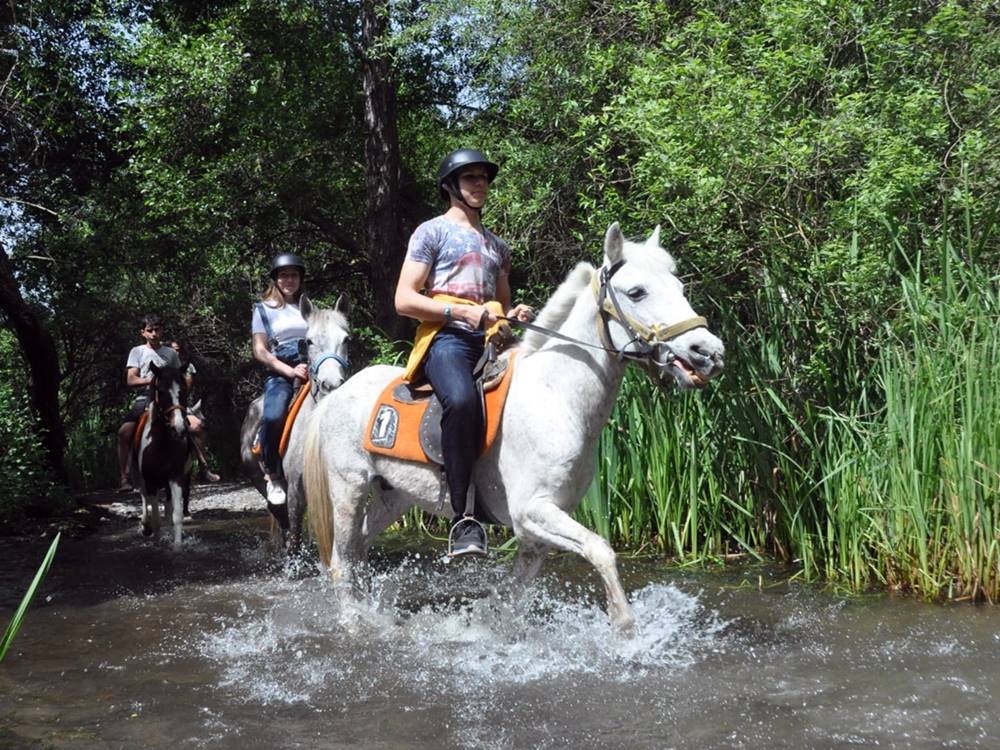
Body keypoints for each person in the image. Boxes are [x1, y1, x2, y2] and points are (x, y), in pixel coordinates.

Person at [394, 148, 534, 556]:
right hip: (447, 338)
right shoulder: (431, 232)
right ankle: (463, 518)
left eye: (483, 178)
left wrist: (513, 313)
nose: (480, 184)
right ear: (450, 186)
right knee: (460, 399)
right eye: (471, 177)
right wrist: (459, 311)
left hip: (492, 340)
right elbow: (403, 299)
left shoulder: (497, 246)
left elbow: (502, 303)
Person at [251, 253, 309, 506]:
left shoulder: (309, 307)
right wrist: (289, 371)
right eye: (284, 275)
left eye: (294, 275)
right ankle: (272, 473)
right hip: (281, 372)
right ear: (275, 279)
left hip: (313, 368)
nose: (289, 280)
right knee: (274, 415)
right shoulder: (264, 309)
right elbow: (260, 350)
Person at [116, 314, 183, 492]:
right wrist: (152, 381)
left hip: (169, 398)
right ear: (143, 332)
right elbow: (131, 379)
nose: (154, 333)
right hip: (144, 396)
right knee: (124, 432)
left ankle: (201, 465)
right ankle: (125, 477)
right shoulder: (137, 352)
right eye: (149, 330)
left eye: (157, 330)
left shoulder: (171, 353)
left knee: (194, 426)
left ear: (162, 331)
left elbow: (179, 377)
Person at [168, 339, 220, 484]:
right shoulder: (163, 366)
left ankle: (204, 467)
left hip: (183, 405)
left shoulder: (188, 367)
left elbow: (186, 387)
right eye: (173, 350)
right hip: (166, 405)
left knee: (197, 427)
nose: (176, 353)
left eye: (178, 350)